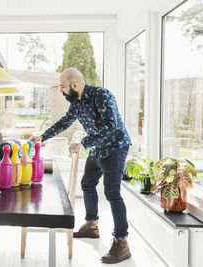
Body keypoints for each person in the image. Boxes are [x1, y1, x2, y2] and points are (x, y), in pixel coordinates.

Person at [29, 68, 132, 264]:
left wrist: (83, 143)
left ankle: (122, 241)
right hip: (97, 148)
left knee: (112, 192)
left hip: (115, 148)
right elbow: (64, 122)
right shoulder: (77, 103)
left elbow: (111, 128)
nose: (61, 91)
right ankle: (91, 225)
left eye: (63, 87)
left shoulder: (102, 96)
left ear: (74, 86)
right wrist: (43, 136)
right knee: (87, 184)